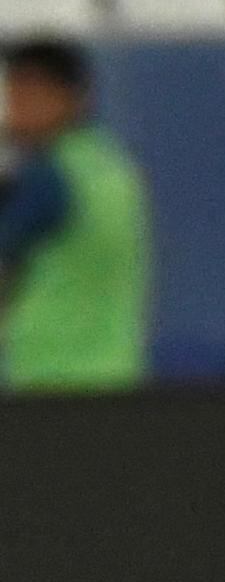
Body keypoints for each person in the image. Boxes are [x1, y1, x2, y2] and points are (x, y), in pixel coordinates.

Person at [0, 39, 149, 395]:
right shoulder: (113, 168)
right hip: (116, 373)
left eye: (25, 92)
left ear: (67, 97)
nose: (14, 108)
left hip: (47, 379)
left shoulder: (47, 176)